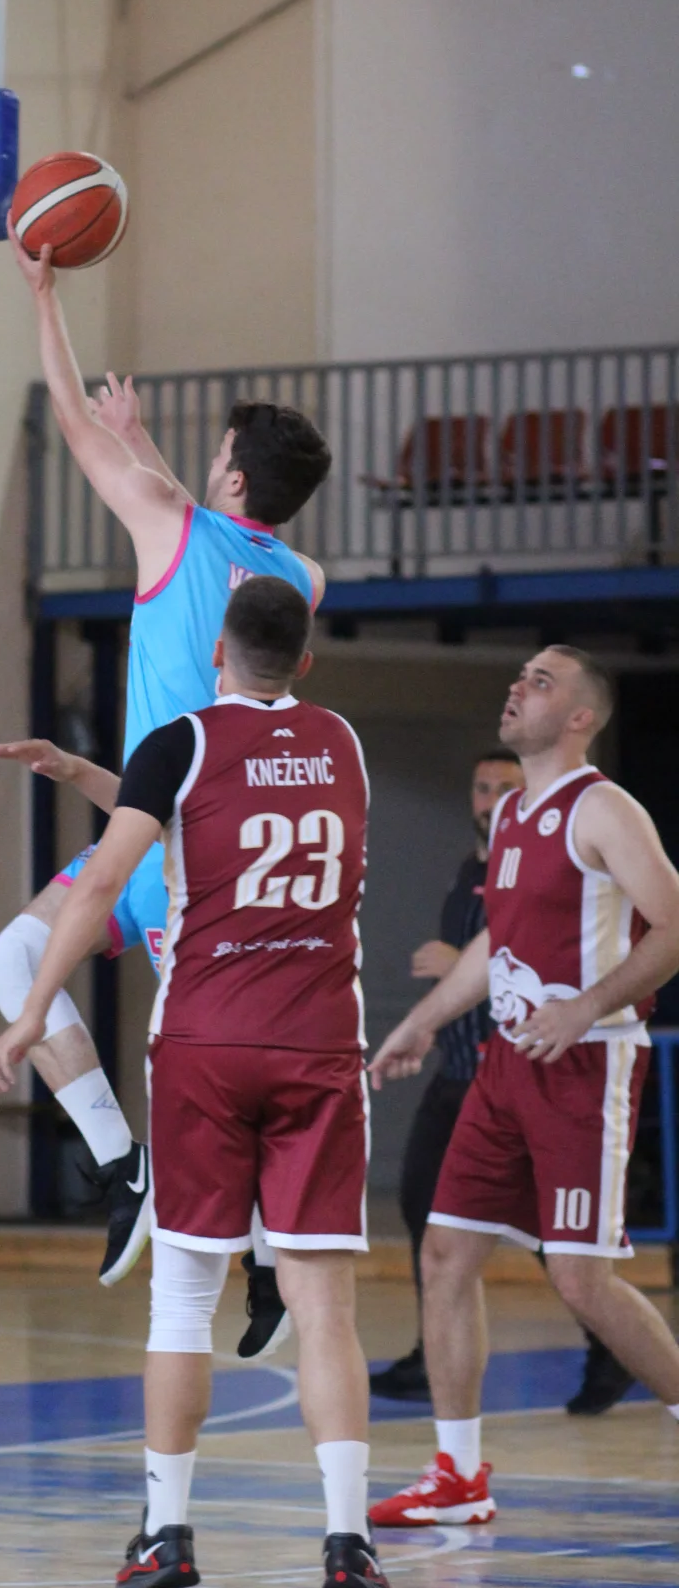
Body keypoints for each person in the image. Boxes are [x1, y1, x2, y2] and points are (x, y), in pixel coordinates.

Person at [0, 577, 389, 1588]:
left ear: (215, 651)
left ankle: (167, 1536)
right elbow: (227, 800)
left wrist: (32, 1011)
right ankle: (347, 1543)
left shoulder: (181, 744)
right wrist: (86, 770)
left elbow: (110, 875)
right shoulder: (343, 744)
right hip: (318, 1043)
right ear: (303, 660)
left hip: (207, 1043)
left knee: (180, 1304)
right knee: (326, 1312)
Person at [0, 227, 329, 1304]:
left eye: (216, 453)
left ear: (232, 471)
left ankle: (257, 1260)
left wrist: (44, 297)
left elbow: (72, 418)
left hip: (177, 849)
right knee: (15, 953)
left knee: (202, 1070)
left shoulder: (172, 522)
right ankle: (126, 1170)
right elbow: (212, 534)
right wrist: (154, 456)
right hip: (182, 828)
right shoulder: (300, 575)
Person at [367, 645, 679, 1528]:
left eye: (541, 682)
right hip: (506, 1064)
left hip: (586, 1063)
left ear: (580, 717)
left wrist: (586, 1006)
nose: (517, 688)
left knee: (580, 1281)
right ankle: (459, 1477)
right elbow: (494, 944)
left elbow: (674, 923)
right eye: (520, 677)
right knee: (444, 1253)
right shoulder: (509, 815)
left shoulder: (604, 808)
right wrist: (424, 1021)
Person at [369, 749, 523, 1401]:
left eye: (505, 788)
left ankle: (609, 1348)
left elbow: (528, 964)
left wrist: (458, 961)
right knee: (420, 1204)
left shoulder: (533, 870)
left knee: (550, 1235)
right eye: (482, 787)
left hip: (505, 1074)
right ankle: (431, 1352)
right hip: (454, 1069)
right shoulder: (468, 871)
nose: (490, 799)